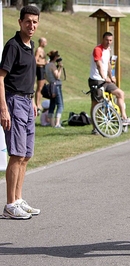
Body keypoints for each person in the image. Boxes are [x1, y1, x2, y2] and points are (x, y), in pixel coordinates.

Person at [0, 5, 41, 219]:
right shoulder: (13, 46)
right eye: (28, 22)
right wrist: (3, 108)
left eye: (35, 22)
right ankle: (9, 204)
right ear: (20, 22)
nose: (31, 25)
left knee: (25, 155)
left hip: (27, 101)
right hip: (13, 102)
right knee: (16, 154)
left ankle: (18, 199)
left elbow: (27, 76)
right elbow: (0, 78)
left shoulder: (30, 45)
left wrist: (33, 99)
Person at [88, 32, 130, 135]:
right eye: (106, 40)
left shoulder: (108, 50)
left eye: (110, 40)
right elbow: (99, 65)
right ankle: (95, 128)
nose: (108, 42)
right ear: (102, 39)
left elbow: (108, 64)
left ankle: (124, 117)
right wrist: (104, 77)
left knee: (120, 93)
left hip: (106, 80)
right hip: (96, 80)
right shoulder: (98, 50)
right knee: (96, 103)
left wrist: (111, 76)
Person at [45, 50, 65, 128]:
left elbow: (45, 76)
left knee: (52, 105)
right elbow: (57, 76)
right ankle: (57, 123)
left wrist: (50, 81)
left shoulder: (47, 65)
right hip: (56, 86)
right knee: (60, 105)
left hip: (50, 85)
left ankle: (52, 123)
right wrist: (60, 67)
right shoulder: (53, 65)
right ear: (55, 57)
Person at [34, 37, 47, 111]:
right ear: (41, 42)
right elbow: (35, 60)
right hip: (39, 69)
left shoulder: (42, 50)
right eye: (45, 42)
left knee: (42, 88)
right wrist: (44, 63)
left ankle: (39, 103)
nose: (46, 43)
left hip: (43, 69)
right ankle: (37, 104)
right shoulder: (38, 50)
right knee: (39, 88)